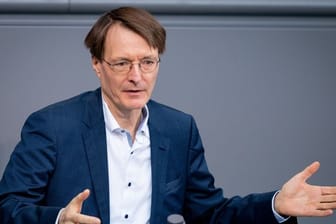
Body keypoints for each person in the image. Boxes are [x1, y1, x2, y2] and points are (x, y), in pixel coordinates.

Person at [0, 6, 335, 224]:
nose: (137, 76)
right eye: (122, 63)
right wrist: (58, 219)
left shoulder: (178, 129)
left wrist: (276, 204)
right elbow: (7, 207)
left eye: (147, 62)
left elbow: (210, 214)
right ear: (97, 65)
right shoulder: (52, 126)